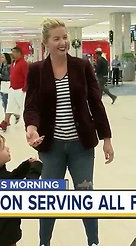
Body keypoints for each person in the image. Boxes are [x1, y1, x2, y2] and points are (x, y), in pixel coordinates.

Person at [24, 18, 115, 246]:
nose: (63, 42)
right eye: (57, 38)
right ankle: (44, 242)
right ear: (46, 43)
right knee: (49, 199)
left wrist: (106, 139)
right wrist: (31, 128)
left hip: (81, 146)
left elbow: (95, 103)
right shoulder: (36, 70)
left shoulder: (82, 66)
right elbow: (32, 105)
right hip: (51, 147)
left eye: (65, 37)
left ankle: (93, 242)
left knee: (86, 195)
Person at [0, 47, 28, 132]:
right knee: (9, 107)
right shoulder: (13, 63)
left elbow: (27, 76)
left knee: (25, 108)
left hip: (20, 90)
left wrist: (25, 87)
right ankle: (5, 123)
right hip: (12, 88)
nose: (12, 54)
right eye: (12, 52)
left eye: (14, 52)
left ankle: (30, 125)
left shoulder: (23, 64)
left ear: (20, 53)